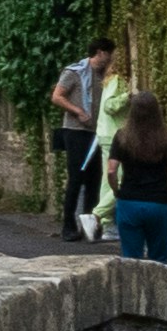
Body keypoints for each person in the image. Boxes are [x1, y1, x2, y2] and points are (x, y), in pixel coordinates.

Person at [101, 89, 167, 264]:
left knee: (131, 259)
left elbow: (111, 170)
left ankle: (133, 291)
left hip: (129, 201)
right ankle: (159, 291)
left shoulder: (122, 137)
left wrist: (116, 191)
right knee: (160, 259)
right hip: (159, 203)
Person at [48, 49, 106, 240]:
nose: (113, 58)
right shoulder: (75, 72)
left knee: (94, 180)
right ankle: (68, 226)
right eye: (110, 54)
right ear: (101, 52)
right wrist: (78, 111)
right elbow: (57, 96)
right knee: (76, 178)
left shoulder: (105, 74)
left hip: (96, 132)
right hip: (75, 131)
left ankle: (89, 228)